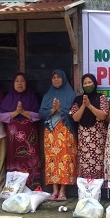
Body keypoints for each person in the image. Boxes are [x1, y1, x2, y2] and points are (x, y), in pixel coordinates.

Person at [0, 73, 41, 189]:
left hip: (29, 136)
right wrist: (16, 113)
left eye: (22, 81)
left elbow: (39, 115)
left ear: (26, 83)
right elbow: (0, 115)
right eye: (17, 81)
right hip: (13, 138)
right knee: (14, 158)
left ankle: (32, 186)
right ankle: (14, 187)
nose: (20, 83)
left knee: (30, 158)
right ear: (13, 83)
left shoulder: (32, 97)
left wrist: (24, 113)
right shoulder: (8, 98)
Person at [39, 70, 77, 201]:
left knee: (65, 160)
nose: (56, 80)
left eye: (58, 77)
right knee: (52, 160)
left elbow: (73, 113)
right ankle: (54, 190)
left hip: (65, 130)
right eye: (54, 77)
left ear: (63, 79)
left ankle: (63, 190)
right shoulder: (48, 95)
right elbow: (41, 113)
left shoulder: (70, 94)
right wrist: (52, 110)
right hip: (51, 132)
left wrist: (61, 110)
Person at [70, 74, 109, 181]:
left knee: (98, 164)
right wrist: (83, 105)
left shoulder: (101, 97)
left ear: (95, 83)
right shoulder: (78, 100)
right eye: (85, 83)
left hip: (98, 140)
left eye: (90, 82)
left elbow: (103, 115)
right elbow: (75, 118)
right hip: (84, 141)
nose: (87, 85)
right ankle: (86, 191)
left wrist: (90, 106)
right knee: (85, 164)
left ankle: (99, 191)